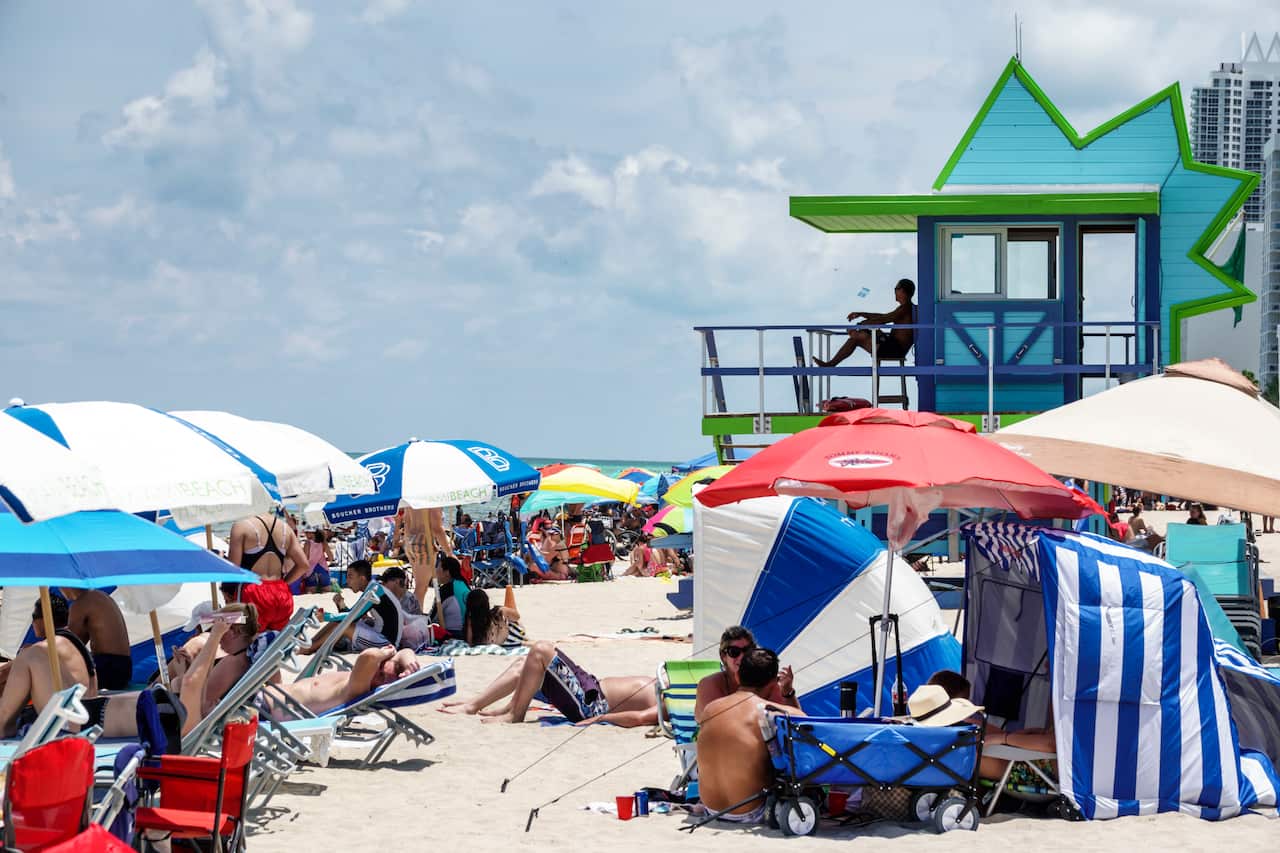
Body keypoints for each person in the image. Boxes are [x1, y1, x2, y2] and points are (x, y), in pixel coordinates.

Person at [439, 641, 657, 726]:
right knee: (524, 664)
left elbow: (640, 718)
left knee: (541, 650)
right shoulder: (673, 688)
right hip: (590, 688)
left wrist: (600, 718)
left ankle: (515, 714)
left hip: (591, 705)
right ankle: (474, 705)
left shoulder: (671, 704)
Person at [696, 648, 801, 823]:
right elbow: (804, 727)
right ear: (772, 683)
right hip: (750, 812)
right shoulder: (768, 712)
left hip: (711, 808)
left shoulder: (710, 709)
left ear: (738, 676)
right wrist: (788, 692)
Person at [0, 597, 98, 736]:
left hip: (63, 726)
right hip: (89, 718)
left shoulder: (38, 651)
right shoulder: (76, 644)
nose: (33, 622)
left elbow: (4, 717)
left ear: (44, 618)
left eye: (34, 617)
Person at [264, 646, 421, 716]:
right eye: (380, 667)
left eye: (380, 677)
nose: (375, 672)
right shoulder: (356, 679)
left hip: (265, 708)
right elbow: (406, 651)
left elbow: (368, 656)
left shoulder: (358, 689)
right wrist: (409, 662)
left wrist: (387, 651)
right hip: (267, 695)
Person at [227, 510, 310, 631]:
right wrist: (285, 583)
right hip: (281, 593)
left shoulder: (241, 527)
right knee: (275, 642)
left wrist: (227, 594)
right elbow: (303, 565)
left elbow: (233, 570)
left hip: (253, 591)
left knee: (245, 641)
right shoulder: (286, 528)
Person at [695, 626, 799, 722]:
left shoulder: (766, 680)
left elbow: (795, 721)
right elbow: (716, 724)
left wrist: (787, 692)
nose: (742, 657)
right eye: (734, 652)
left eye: (747, 650)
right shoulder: (710, 684)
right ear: (723, 657)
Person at [300, 559, 403, 653]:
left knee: (343, 626)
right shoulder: (373, 588)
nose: (347, 581)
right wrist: (341, 605)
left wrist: (326, 616)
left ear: (362, 578)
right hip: (379, 635)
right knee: (337, 621)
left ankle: (310, 648)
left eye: (350, 576)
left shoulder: (374, 591)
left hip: (387, 644)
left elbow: (353, 617)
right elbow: (354, 614)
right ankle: (310, 643)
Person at [814, 278, 916, 368]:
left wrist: (864, 323)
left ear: (902, 290)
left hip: (894, 350)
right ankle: (832, 362)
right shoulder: (904, 308)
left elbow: (884, 319)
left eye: (896, 289)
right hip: (891, 345)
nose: (894, 291)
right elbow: (883, 317)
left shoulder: (905, 308)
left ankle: (831, 364)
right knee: (859, 335)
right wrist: (862, 315)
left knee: (857, 337)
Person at [61, 588, 133, 690]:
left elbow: (69, 644)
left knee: (57, 672)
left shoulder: (80, 603)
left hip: (107, 668)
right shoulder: (101, 596)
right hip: (124, 667)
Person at [430, 556, 471, 638]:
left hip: (454, 634)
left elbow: (432, 618)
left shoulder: (447, 589)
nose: (435, 572)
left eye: (438, 569)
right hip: (470, 631)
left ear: (447, 573)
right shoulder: (464, 583)